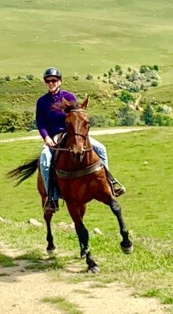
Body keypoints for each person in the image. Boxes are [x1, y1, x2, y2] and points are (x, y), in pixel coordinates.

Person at [36, 67, 125, 212]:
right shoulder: (42, 102)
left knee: (101, 148)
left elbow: (76, 117)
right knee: (45, 160)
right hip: (54, 137)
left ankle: (110, 182)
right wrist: (46, 137)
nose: (51, 83)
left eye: (54, 80)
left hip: (73, 134)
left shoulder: (69, 96)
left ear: (59, 81)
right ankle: (52, 198)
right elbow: (40, 123)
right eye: (48, 81)